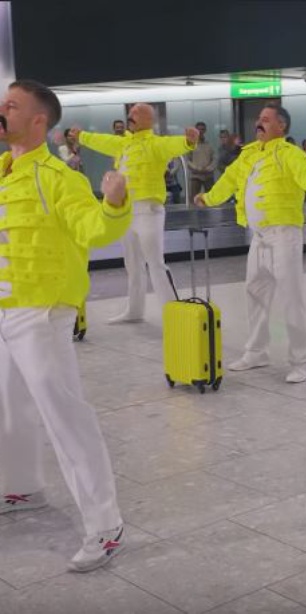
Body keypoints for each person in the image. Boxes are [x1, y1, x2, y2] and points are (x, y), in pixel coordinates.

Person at [0, 79, 131, 572]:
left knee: (66, 420)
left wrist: (115, 202)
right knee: (9, 408)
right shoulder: (5, 171)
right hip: (5, 308)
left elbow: (95, 229)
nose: (1, 110)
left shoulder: (58, 178)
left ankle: (106, 525)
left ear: (38, 122)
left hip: (42, 314)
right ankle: (22, 486)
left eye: (10, 105)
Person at [195, 103, 306, 384]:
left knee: (292, 298)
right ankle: (256, 352)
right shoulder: (248, 155)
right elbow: (228, 181)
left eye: (266, 120)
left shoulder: (289, 154)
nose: (259, 123)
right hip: (259, 238)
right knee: (254, 293)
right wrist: (208, 198)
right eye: (259, 119)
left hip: (284, 237)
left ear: (282, 126)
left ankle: (300, 361)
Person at [70, 104, 199, 324]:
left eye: (137, 114)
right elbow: (102, 141)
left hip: (149, 211)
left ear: (150, 120)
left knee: (156, 264)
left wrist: (189, 141)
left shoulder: (157, 144)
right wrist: (81, 136)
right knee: (132, 264)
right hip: (127, 211)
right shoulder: (124, 143)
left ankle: (174, 315)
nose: (131, 116)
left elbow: (176, 145)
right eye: (130, 113)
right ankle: (135, 310)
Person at [186, 121, 216, 203]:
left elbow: (214, 159)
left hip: (208, 175)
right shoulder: (191, 144)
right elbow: (187, 160)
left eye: (202, 129)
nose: (201, 131)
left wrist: (208, 168)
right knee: (193, 199)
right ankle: (192, 215)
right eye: (199, 129)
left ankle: (211, 215)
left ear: (205, 130)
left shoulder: (209, 144)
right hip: (195, 176)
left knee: (211, 199)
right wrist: (197, 168)